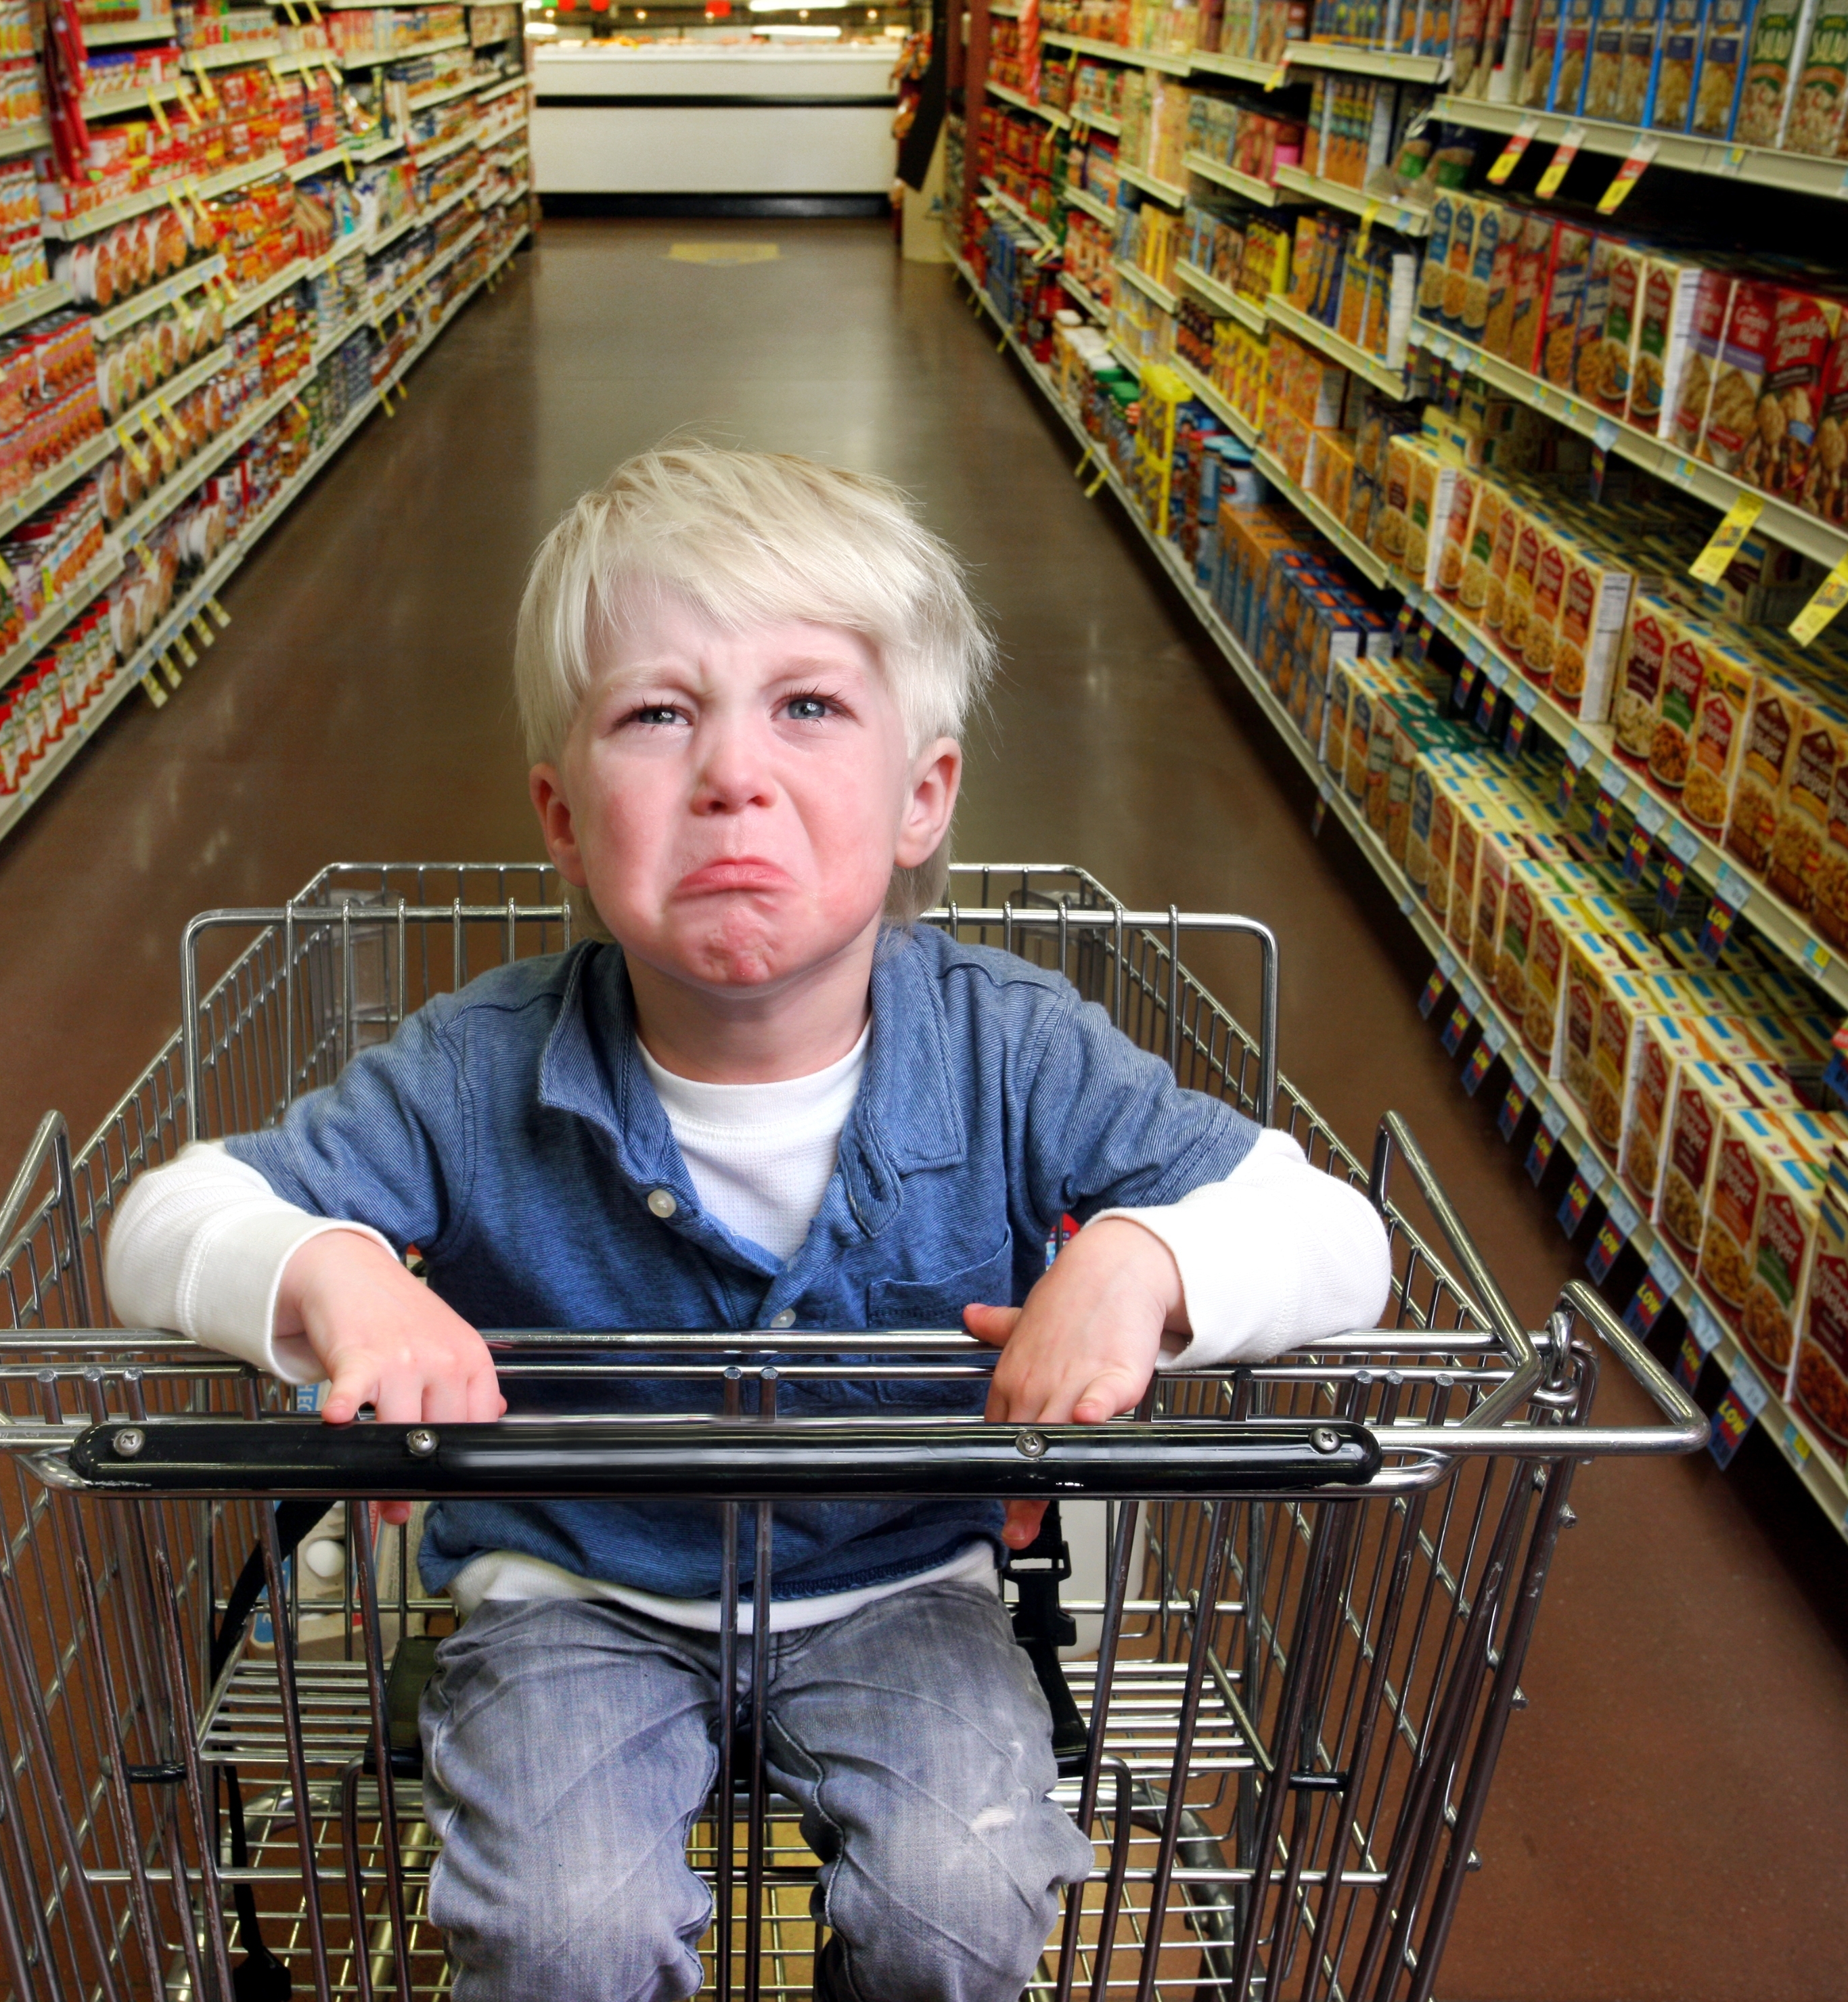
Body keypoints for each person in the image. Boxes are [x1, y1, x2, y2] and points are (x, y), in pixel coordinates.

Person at [104, 445, 1392, 2001]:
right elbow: (165, 1216)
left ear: (924, 797)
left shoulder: (1013, 1049)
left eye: (810, 706)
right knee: (556, 1933)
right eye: (657, 713)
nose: (732, 771)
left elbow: (1335, 1232)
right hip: (568, 1590)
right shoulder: (473, 1068)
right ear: (563, 816)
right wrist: (334, 1272)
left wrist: (1146, 1259)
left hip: (906, 1577)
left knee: (964, 1896)